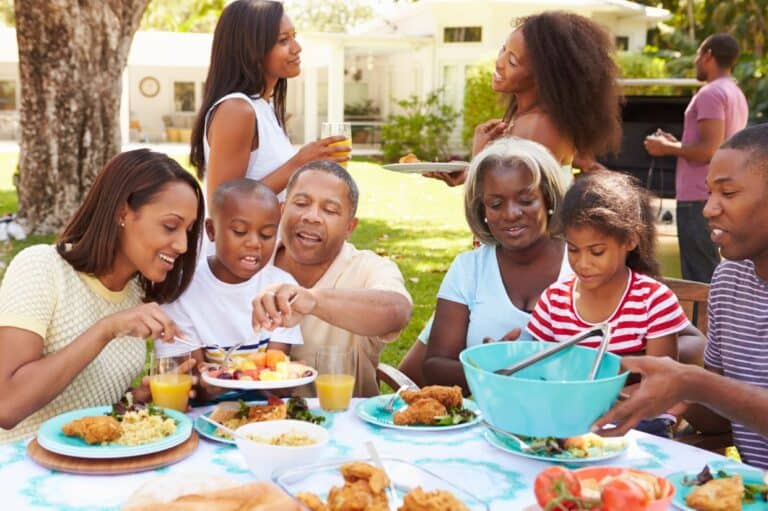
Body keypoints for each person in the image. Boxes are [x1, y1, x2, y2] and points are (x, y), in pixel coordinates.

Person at [0, 149, 204, 442]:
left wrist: (136, 400)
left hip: (92, 467)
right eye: (170, 226)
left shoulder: (136, 296)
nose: (183, 245)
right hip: (24, 469)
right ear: (122, 212)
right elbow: (6, 405)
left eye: (188, 230)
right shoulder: (41, 268)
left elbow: (90, 407)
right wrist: (106, 330)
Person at [596, 124, 768, 469]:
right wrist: (670, 392)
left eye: (728, 194)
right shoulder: (729, 280)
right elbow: (720, 419)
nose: (708, 209)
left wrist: (696, 382)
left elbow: (711, 389)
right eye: (709, 193)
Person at [527, 171, 690, 436]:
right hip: (564, 420)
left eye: (597, 251)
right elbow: (535, 369)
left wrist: (593, 399)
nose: (582, 263)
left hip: (636, 423)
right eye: (573, 250)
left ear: (630, 240)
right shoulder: (553, 300)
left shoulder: (653, 301)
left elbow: (659, 386)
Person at [420, 138, 572, 394]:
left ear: (548, 198)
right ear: (482, 210)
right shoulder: (469, 268)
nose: (511, 214)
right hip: (487, 421)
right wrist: (491, 369)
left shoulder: (584, 263)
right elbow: (435, 365)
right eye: (496, 204)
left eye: (526, 200)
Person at [251, 161, 412, 397]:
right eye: (301, 203)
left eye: (330, 210)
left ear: (350, 227)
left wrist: (314, 300)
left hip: (345, 425)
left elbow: (397, 311)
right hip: (247, 425)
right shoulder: (248, 263)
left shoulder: (367, 268)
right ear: (282, 209)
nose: (312, 217)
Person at [426, 10, 622, 186]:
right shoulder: (528, 117)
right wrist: (469, 172)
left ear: (543, 77)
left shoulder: (540, 126)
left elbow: (516, 199)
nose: (499, 62)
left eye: (512, 61)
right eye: (503, 49)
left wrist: (479, 157)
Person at [189, 0, 349, 205]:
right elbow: (223, 203)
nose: (297, 48)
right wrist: (299, 162)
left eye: (294, 36)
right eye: (283, 40)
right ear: (251, 49)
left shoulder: (264, 107)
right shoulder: (237, 110)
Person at [158, 179, 303, 401]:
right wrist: (206, 382)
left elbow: (276, 373)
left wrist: (289, 377)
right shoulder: (181, 290)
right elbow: (191, 387)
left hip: (266, 414)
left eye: (266, 235)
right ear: (211, 230)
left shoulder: (281, 288)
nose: (254, 243)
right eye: (239, 231)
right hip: (201, 417)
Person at [644, 33, 748, 283]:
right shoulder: (735, 92)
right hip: (719, 193)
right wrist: (675, 143)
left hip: (698, 196)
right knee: (712, 268)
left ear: (708, 55)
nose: (696, 62)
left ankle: (705, 323)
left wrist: (664, 148)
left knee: (699, 276)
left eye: (699, 55)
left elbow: (709, 150)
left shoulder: (710, 94)